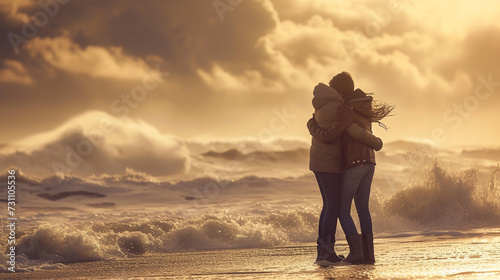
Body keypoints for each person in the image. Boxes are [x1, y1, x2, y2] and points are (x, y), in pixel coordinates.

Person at [308, 86, 394, 265]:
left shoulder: (347, 111)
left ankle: (356, 254)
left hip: (355, 164)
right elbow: (362, 134)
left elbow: (350, 133)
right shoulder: (364, 110)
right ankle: (368, 255)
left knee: (341, 209)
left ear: (341, 93)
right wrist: (376, 142)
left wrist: (312, 125)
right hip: (370, 162)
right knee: (363, 210)